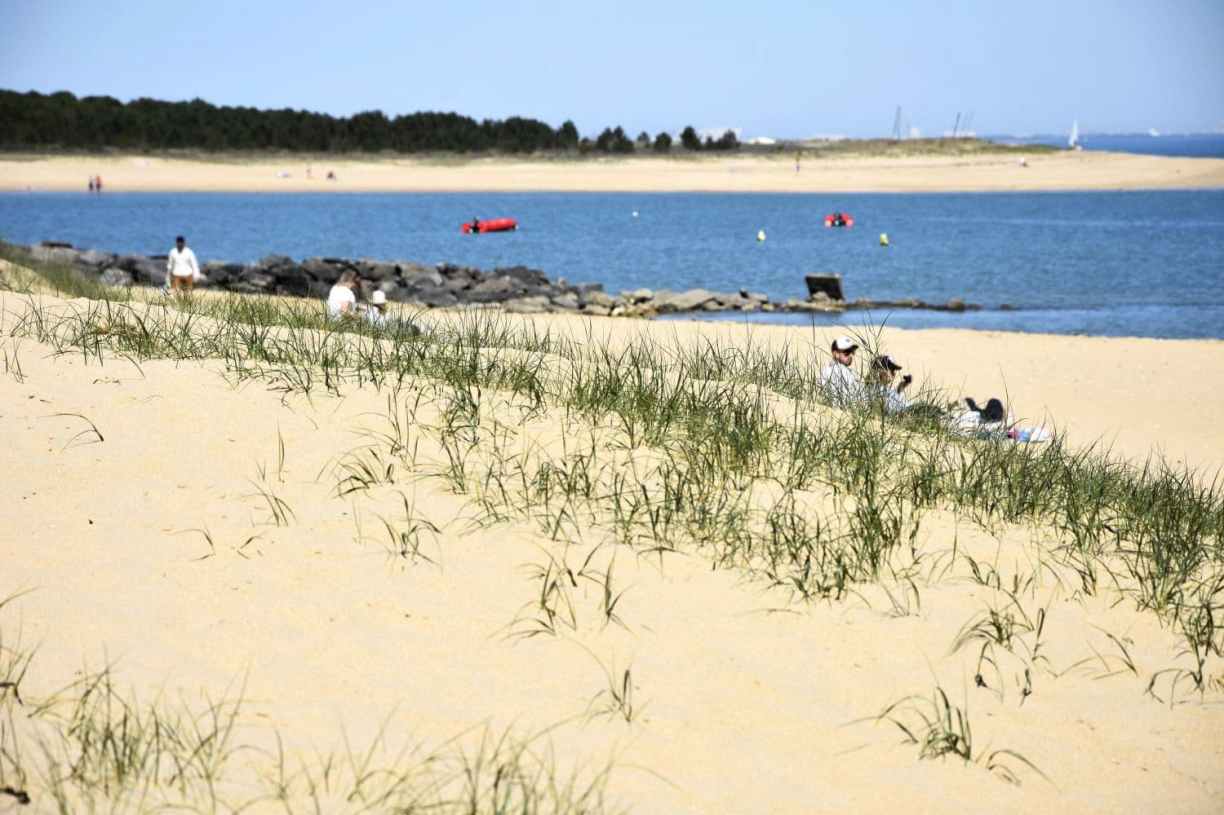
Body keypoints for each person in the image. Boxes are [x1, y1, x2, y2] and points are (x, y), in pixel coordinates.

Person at [818, 335, 862, 406]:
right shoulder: (830, 371)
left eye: (852, 352)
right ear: (836, 354)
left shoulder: (846, 371)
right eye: (847, 352)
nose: (851, 355)